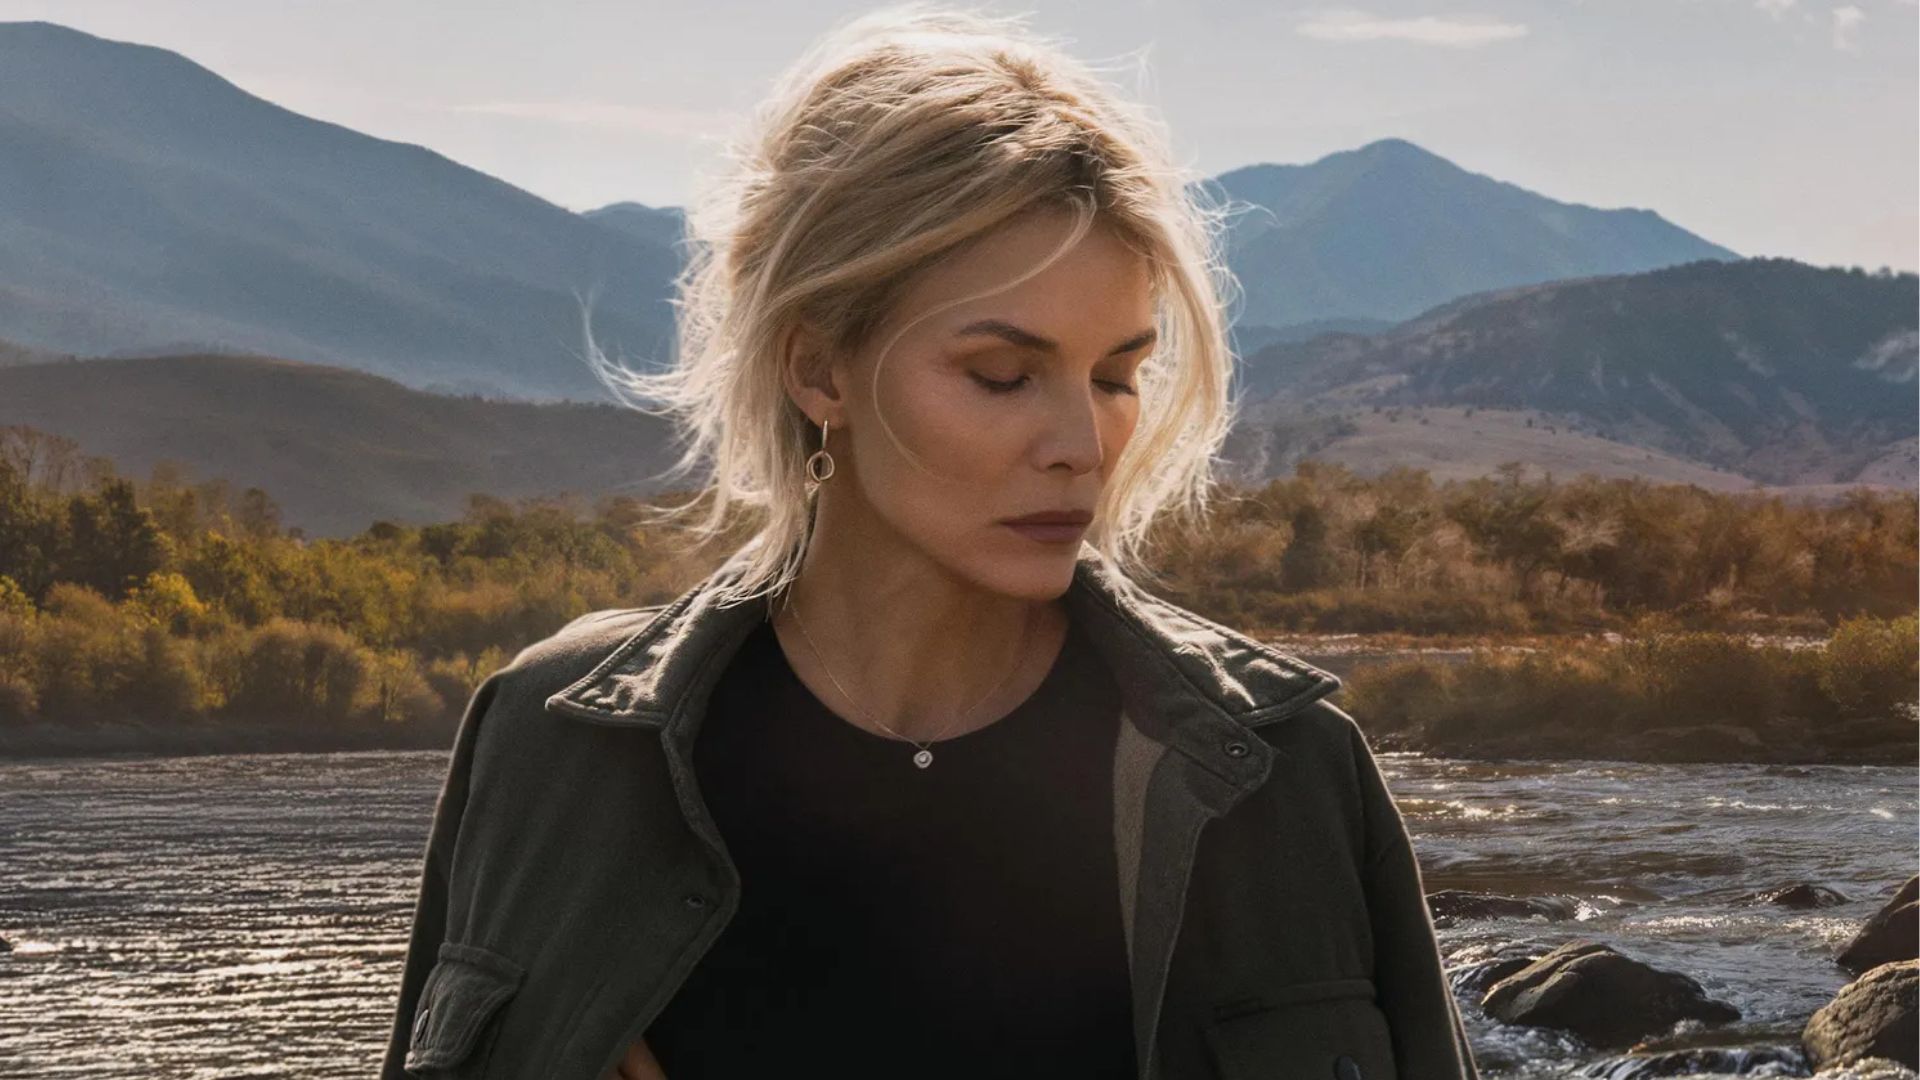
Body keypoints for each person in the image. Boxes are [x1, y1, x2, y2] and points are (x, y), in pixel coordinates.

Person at [379, 6, 1480, 1080]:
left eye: (1115, 376)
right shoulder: (553, 743)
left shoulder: (1288, 775)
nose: (1080, 444)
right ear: (818, 370)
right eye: (1001, 375)